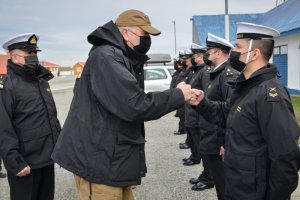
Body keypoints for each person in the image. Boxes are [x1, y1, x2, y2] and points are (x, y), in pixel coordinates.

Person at [51, 9, 193, 200]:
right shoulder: (107, 57)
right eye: (144, 35)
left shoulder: (118, 55)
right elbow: (134, 104)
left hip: (112, 160)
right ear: (126, 32)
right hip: (100, 162)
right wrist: (178, 95)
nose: (147, 40)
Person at [190, 22, 300, 200]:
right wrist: (202, 102)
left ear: (255, 53)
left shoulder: (269, 94)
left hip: (255, 192)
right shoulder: (245, 86)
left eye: (238, 47)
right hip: (238, 184)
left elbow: (285, 156)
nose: (233, 51)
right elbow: (225, 113)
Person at [0, 33, 61, 200]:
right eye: (29, 54)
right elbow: (2, 128)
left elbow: (51, 117)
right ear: (15, 57)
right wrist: (15, 162)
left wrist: (60, 148)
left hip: (47, 159)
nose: (34, 57)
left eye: (35, 53)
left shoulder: (41, 81)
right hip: (25, 163)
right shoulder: (7, 86)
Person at [191, 34, 238, 199]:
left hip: (219, 142)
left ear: (218, 53)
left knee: (225, 187)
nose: (206, 55)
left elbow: (230, 111)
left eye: (209, 51)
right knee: (220, 184)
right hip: (210, 137)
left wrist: (226, 142)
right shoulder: (216, 73)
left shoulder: (228, 74)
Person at [182, 44, 207, 166]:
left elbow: (204, 93)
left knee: (198, 141)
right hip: (190, 112)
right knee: (193, 139)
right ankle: (195, 156)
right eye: (194, 57)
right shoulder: (196, 71)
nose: (195, 59)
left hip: (196, 113)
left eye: (197, 56)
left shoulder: (203, 71)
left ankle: (198, 159)